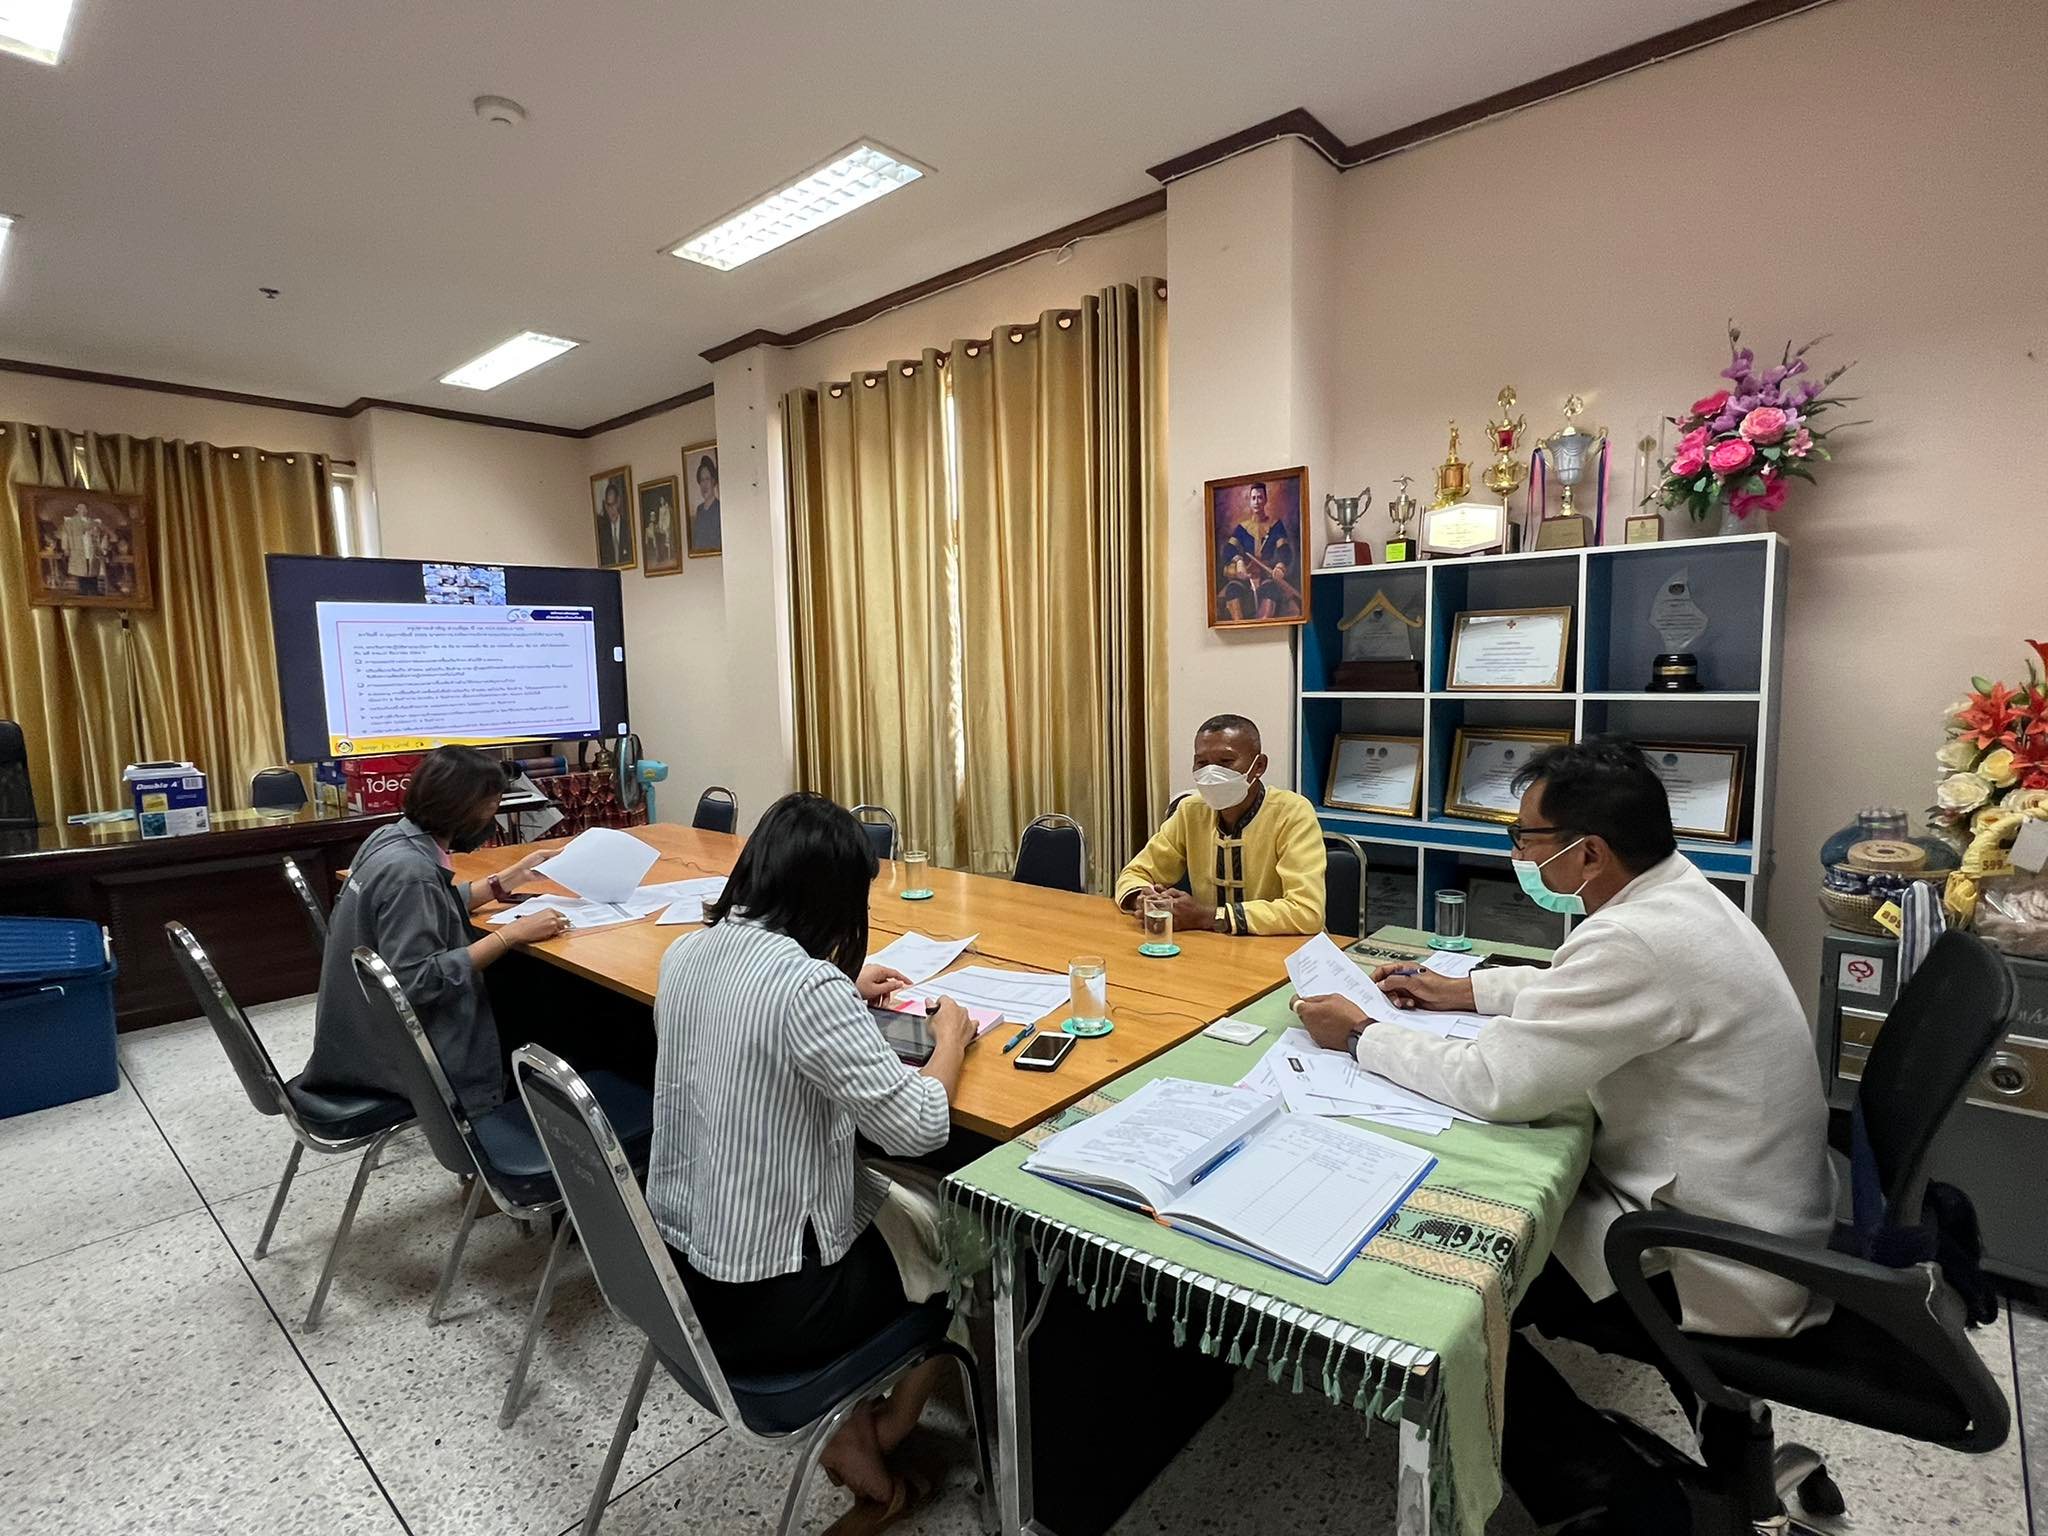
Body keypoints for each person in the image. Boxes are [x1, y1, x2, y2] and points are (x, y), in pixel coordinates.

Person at [1294, 739, 1837, 1532]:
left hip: (1707, 1247)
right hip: (1758, 1207)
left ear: (1588, 854)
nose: (1517, 854)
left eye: (1527, 838)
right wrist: (1464, 989)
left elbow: (1495, 1085)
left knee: (1446, 1293)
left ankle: (1613, 1497)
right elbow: (1581, 987)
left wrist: (1358, 1034)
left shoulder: (1636, 939)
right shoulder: (1674, 894)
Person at [647, 792, 973, 1528]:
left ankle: (859, 1431)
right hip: (779, 1306)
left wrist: (844, 994)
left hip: (685, 1279)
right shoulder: (806, 986)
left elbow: (754, 1015)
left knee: (894, 1204)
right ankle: (885, 1428)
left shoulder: (686, 953)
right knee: (970, 1232)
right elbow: (920, 1126)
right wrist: (952, 1037)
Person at [302, 746, 563, 1115]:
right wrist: (510, 936)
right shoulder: (413, 874)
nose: (492, 819)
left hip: (355, 1035)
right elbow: (418, 979)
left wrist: (511, 877)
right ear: (463, 810)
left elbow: (433, 903)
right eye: (491, 808)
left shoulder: (389, 838)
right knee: (545, 1006)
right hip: (398, 1061)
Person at [1115, 713, 1325, 935]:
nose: (1211, 773)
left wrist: (1210, 917)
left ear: (1259, 766)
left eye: (1226, 762)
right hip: (1211, 946)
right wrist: (1142, 898)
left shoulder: (1291, 812)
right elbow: (1136, 873)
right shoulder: (1190, 810)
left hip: (1280, 947)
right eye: (1202, 763)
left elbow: (1307, 912)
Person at [1220, 481, 1299, 619]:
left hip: (1266, 575)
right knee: (1233, 590)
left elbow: (1284, 550)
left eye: (1260, 497)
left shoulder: (1275, 525)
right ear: (1250, 501)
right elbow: (1229, 549)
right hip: (1246, 575)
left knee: (1271, 590)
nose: (1257, 502)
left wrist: (1280, 567)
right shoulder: (1242, 528)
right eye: (1254, 498)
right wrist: (1239, 562)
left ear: (1265, 500)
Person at [596, 477, 633, 566]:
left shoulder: (628, 527)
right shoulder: (602, 532)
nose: (611, 510)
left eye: (614, 504)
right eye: (609, 505)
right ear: (605, 505)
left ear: (618, 502)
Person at [689, 452, 721, 553]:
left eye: (707, 479)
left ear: (713, 481)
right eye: (702, 480)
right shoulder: (699, 510)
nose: (704, 484)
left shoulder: (719, 508)